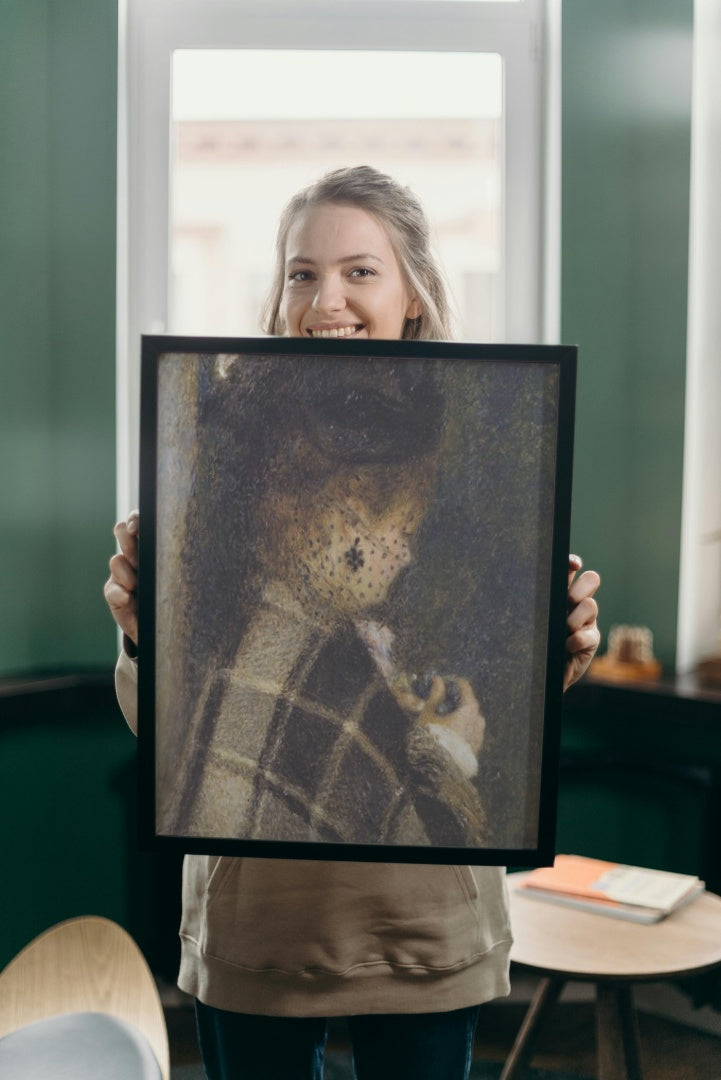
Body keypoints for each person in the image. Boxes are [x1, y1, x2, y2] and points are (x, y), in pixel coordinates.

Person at [105, 166, 601, 1080]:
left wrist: (553, 652)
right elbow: (175, 735)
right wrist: (145, 636)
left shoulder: (484, 429)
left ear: (412, 291)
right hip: (259, 927)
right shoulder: (221, 442)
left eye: (359, 271)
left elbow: (496, 719)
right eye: (301, 272)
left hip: (421, 926)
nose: (324, 298)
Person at [163, 357, 488, 848]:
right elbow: (427, 859)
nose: (406, 555)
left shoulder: (256, 622)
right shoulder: (333, 672)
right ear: (350, 521)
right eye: (402, 530)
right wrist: (449, 750)